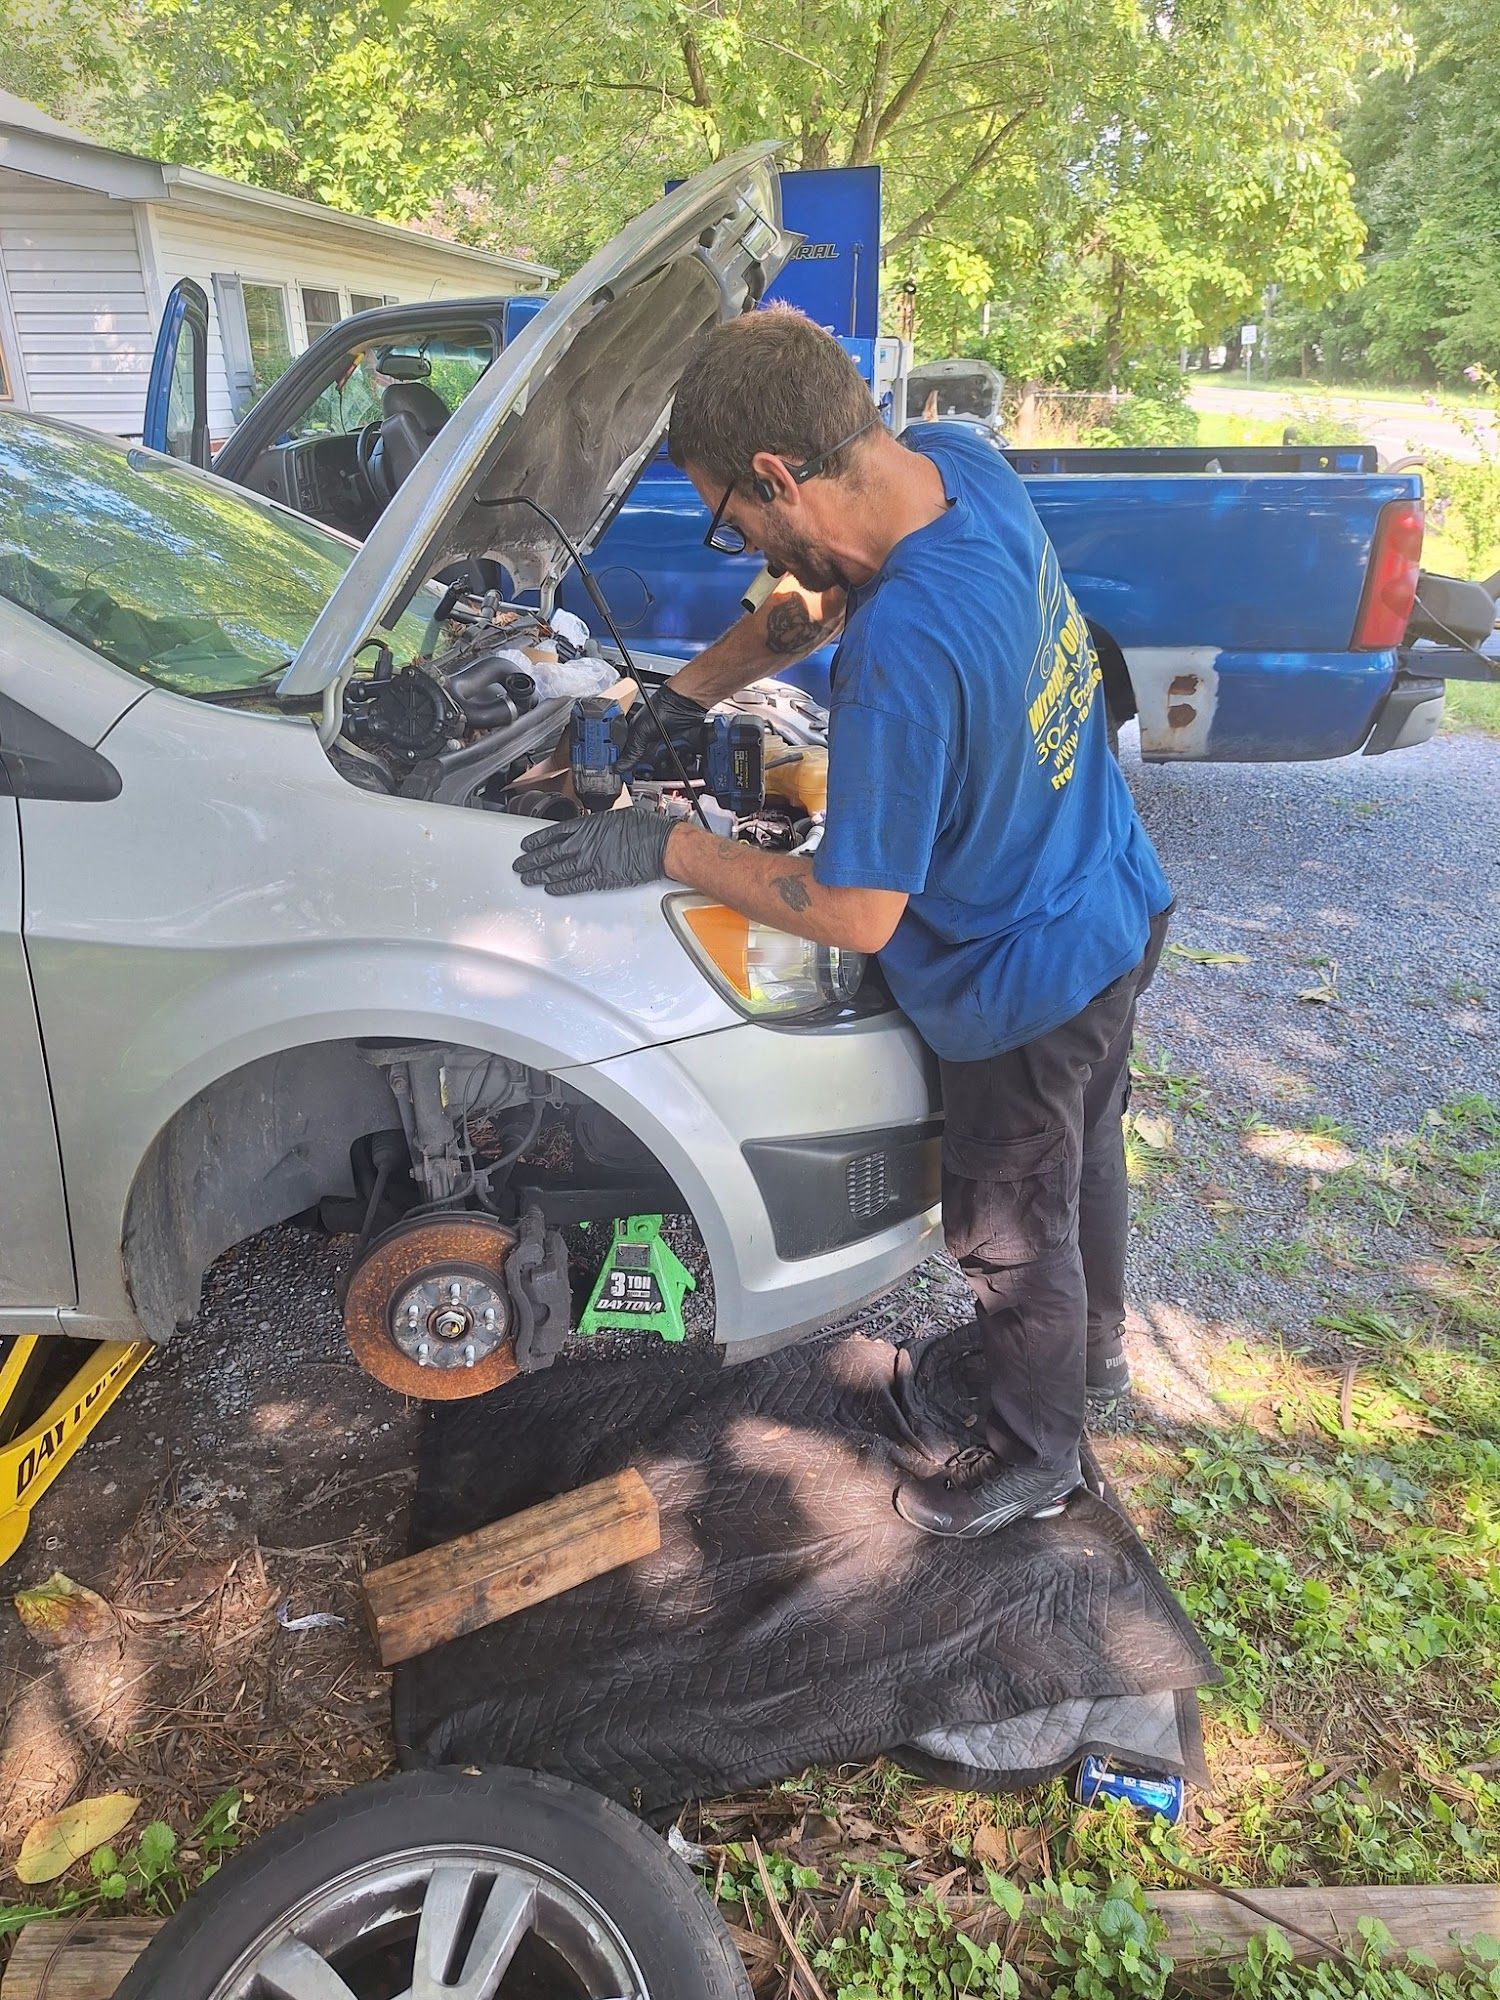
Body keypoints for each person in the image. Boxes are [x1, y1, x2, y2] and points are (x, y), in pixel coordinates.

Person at [514, 308, 1172, 1538]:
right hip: (1111, 895)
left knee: (1006, 1233)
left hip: (1020, 970)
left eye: (734, 516)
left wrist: (666, 844)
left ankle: (1034, 1459)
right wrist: (684, 697)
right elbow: (809, 596)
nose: (740, 545)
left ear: (777, 473)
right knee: (1083, 1156)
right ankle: (1087, 1368)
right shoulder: (951, 462)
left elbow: (858, 911)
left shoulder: (906, 650)